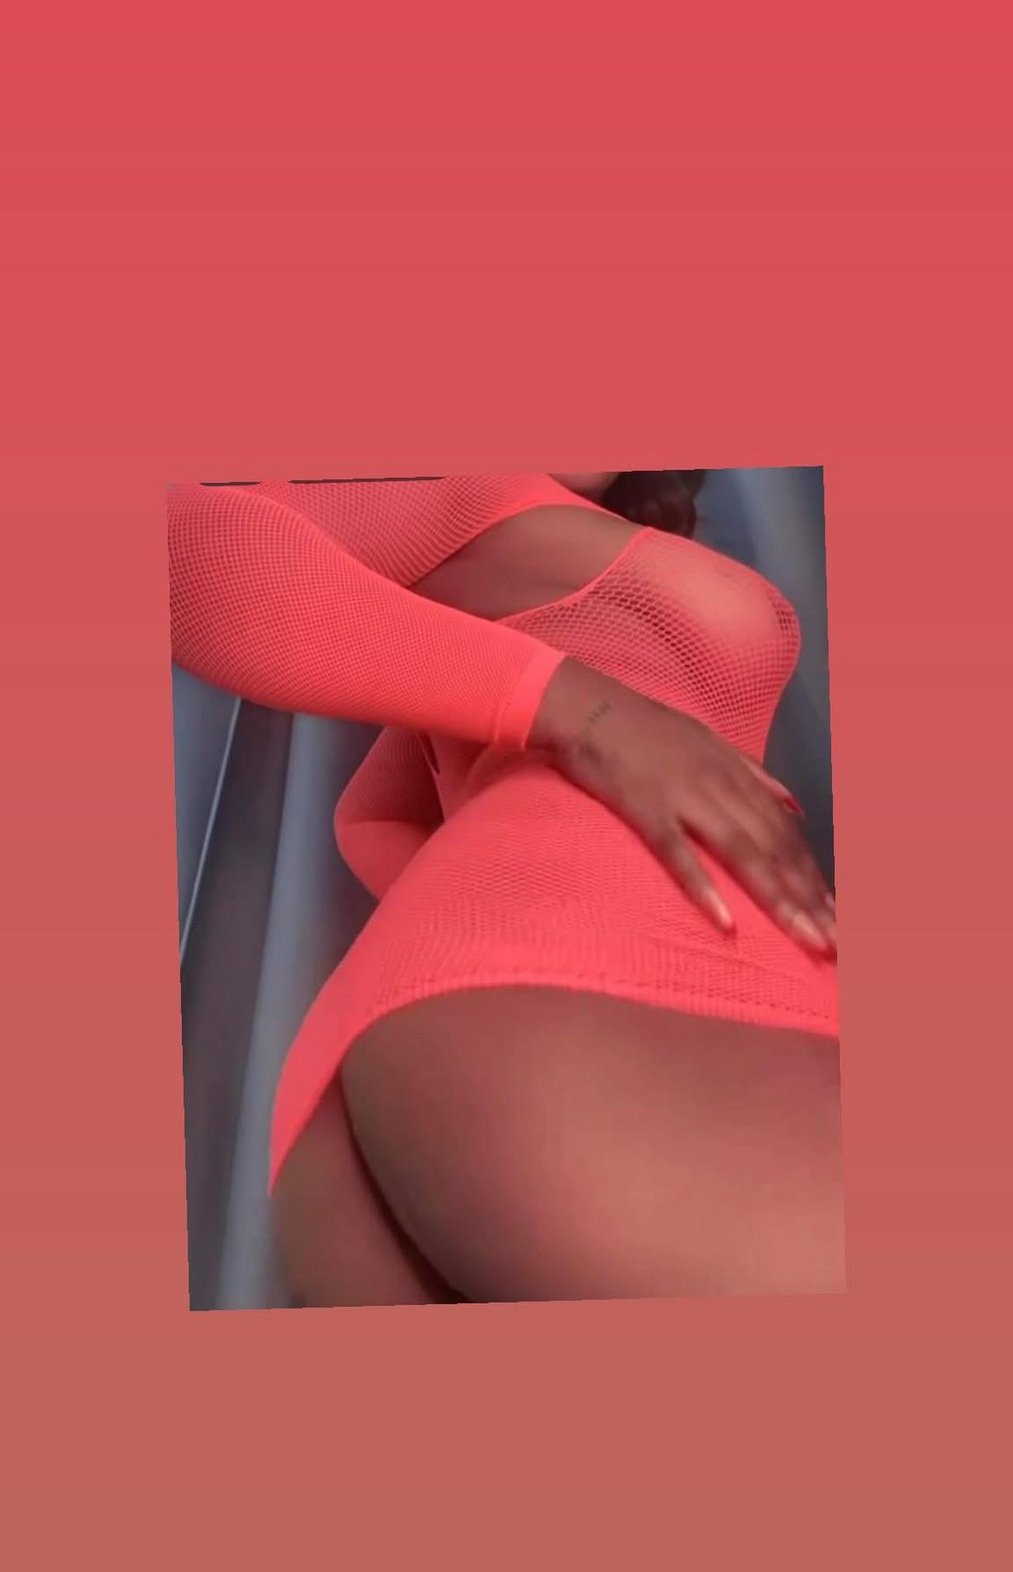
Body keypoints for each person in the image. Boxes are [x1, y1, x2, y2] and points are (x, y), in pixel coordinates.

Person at [169, 471, 843, 1306]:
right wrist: (592, 715)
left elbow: (403, 804)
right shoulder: (466, 482)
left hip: (606, 993)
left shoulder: (535, 555)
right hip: (592, 969)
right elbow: (180, 548)